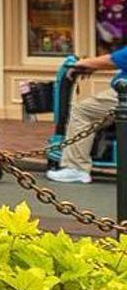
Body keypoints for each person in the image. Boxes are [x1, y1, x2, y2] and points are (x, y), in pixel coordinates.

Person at [46, 45, 127, 185]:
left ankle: (76, 168)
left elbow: (114, 60)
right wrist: (94, 65)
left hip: (123, 94)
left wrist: (81, 63)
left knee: (83, 111)